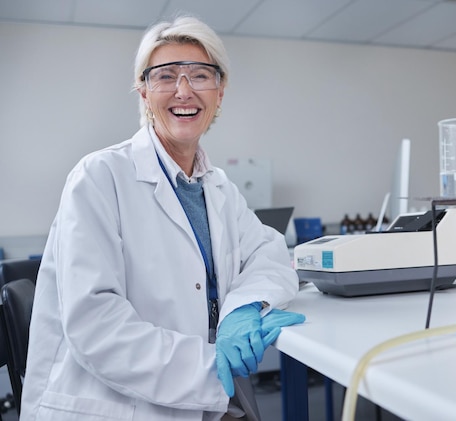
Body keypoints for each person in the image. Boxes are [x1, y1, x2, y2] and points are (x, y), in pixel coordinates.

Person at [20, 15, 305, 421]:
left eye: (200, 75)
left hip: (203, 400)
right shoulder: (99, 177)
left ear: (220, 92)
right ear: (143, 91)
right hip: (116, 406)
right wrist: (211, 364)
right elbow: (96, 327)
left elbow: (270, 253)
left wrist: (243, 306)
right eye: (166, 75)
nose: (183, 91)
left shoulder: (218, 188)